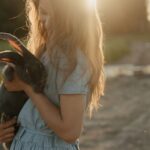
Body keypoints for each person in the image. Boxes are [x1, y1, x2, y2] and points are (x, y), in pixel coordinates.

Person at [0, 0, 105, 149]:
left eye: (51, 15)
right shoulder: (45, 52)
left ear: (71, 18)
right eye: (42, 12)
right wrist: (5, 129)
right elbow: (30, 110)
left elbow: (70, 132)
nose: (43, 20)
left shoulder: (73, 61)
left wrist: (27, 86)